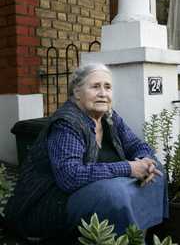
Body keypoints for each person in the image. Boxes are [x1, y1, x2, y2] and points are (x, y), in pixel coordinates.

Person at [4, 63, 168, 243]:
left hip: (93, 192)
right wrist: (129, 168)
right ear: (77, 93)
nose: (103, 93)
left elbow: (136, 144)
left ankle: (140, 233)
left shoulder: (110, 117)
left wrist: (146, 161)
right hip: (52, 204)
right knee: (114, 194)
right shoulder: (67, 124)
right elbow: (70, 177)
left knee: (156, 169)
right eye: (95, 86)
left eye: (107, 87)